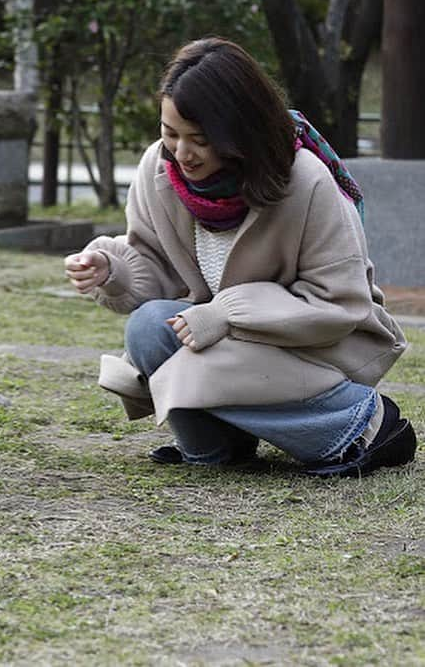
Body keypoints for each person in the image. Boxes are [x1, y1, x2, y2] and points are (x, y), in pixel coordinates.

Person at [64, 37, 416, 478]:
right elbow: (157, 268)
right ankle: (218, 449)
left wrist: (228, 313)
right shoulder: (159, 169)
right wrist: (112, 270)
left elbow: (339, 305)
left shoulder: (305, 181)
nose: (181, 153)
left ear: (239, 132)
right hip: (224, 342)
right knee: (148, 327)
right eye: (169, 132)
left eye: (199, 139)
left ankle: (362, 424)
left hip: (312, 346)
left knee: (186, 345)